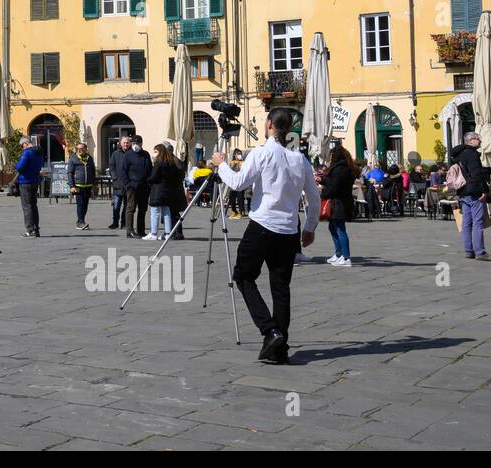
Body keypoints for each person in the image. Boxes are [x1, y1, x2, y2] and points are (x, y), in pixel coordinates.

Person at [211, 109, 322, 365]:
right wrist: (310, 227)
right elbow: (313, 198)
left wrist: (221, 164)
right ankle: (280, 348)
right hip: (288, 231)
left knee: (243, 277)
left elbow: (238, 183)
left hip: (262, 225)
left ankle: (270, 331)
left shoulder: (261, 153)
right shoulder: (299, 159)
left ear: (270, 124)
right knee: (281, 288)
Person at [449, 132, 491, 260]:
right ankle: (480, 252)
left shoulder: (460, 154)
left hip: (462, 191)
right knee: (478, 222)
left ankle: (469, 250)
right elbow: (476, 174)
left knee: (466, 222)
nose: (480, 141)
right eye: (478, 139)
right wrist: (483, 191)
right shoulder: (472, 154)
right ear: (471, 140)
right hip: (473, 192)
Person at [320, 143, 357, 266]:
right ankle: (338, 254)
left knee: (340, 228)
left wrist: (323, 187)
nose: (330, 159)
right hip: (341, 201)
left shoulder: (340, 169)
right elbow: (334, 183)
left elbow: (334, 186)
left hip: (338, 202)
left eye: (331, 156)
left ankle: (346, 257)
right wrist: (324, 180)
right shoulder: (346, 167)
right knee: (333, 226)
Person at [146, 143, 184, 241]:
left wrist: (148, 181)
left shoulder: (159, 163)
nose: (154, 154)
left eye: (155, 152)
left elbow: (154, 177)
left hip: (159, 191)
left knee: (155, 212)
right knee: (166, 212)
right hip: (168, 190)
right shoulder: (171, 163)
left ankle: (154, 233)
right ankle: (168, 233)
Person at [119, 135, 153, 238]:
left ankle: (141, 230)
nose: (135, 145)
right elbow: (123, 171)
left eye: (137, 143)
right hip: (132, 186)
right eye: (133, 143)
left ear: (141, 144)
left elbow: (150, 169)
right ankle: (129, 231)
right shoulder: (128, 155)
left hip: (144, 186)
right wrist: (127, 185)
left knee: (143, 208)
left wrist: (149, 182)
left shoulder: (145, 154)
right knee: (131, 208)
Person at [15, 136, 45, 237]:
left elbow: (20, 167)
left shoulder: (27, 152)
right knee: (33, 205)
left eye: (22, 145)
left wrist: (16, 165)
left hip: (25, 181)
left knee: (27, 206)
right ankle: (36, 228)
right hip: (35, 181)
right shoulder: (39, 153)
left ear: (26, 143)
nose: (22, 148)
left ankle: (30, 229)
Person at [67, 143, 94, 230]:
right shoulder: (73, 158)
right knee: (80, 204)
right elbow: (70, 173)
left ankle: (81, 221)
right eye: (78, 148)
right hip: (78, 185)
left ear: (86, 149)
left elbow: (93, 171)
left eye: (81, 148)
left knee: (85, 204)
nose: (79, 150)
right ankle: (80, 222)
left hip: (88, 185)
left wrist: (93, 182)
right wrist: (72, 186)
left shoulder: (89, 158)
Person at [107, 136, 132, 229]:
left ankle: (124, 223)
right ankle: (115, 222)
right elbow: (111, 167)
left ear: (130, 144)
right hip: (118, 185)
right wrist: (114, 178)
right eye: (124, 143)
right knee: (116, 206)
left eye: (127, 143)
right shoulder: (115, 154)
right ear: (121, 144)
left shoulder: (132, 154)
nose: (126, 144)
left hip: (128, 185)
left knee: (127, 206)